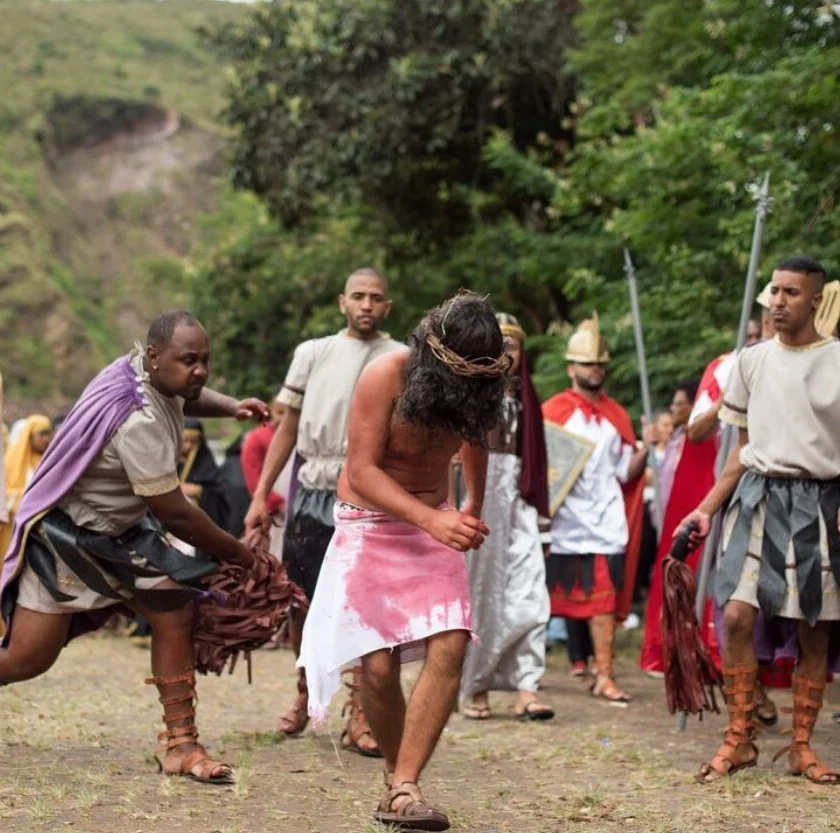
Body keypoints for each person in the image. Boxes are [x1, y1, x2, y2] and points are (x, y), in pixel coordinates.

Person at [0, 311, 269, 785]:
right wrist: (240, 555)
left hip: (121, 534)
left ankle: (181, 744)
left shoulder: (135, 370)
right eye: (190, 360)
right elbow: (176, 515)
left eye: (205, 360)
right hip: (71, 541)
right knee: (26, 659)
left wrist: (230, 407)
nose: (200, 371)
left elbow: (186, 393)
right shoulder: (137, 419)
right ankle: (180, 743)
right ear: (154, 357)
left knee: (172, 608)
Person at [299, 291, 508, 831]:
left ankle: (405, 786)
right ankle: (397, 776)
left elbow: (475, 441)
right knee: (378, 666)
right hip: (369, 522)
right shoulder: (385, 376)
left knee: (453, 639)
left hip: (433, 520)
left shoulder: (480, 387)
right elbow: (364, 471)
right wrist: (431, 520)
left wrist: (470, 506)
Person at [681, 257, 840, 785]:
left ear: (816, 299)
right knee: (735, 618)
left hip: (821, 505)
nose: (778, 301)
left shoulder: (838, 361)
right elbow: (741, 452)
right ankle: (740, 737)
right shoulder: (750, 361)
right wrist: (705, 508)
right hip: (757, 500)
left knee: (814, 628)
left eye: (791, 293)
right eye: (775, 291)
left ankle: (800, 746)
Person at [244, 268, 401, 753]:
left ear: (388, 307)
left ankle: (361, 710)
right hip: (313, 488)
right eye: (358, 296)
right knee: (302, 599)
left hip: (372, 488)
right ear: (342, 301)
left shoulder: (401, 358)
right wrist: (260, 494)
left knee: (366, 604)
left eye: (376, 298)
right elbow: (286, 428)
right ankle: (305, 692)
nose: (367, 305)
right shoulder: (312, 353)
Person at [543, 313, 648, 705]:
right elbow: (542, 471)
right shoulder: (552, 411)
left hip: (605, 521)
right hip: (562, 522)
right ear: (572, 367)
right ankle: (524, 677)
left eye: (600, 364)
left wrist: (646, 449)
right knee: (539, 600)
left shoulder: (616, 416)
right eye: (588, 364)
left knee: (604, 601)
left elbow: (625, 472)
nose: (595, 370)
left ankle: (604, 675)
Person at [460, 313, 553, 721]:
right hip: (481, 499)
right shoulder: (468, 399)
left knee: (531, 590)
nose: (507, 353)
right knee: (482, 594)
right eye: (500, 344)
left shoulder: (527, 399)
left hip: (520, 503)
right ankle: (475, 685)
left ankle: (526, 685)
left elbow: (536, 463)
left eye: (513, 345)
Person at [242, 397, 292, 556]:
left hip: (296, 503)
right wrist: (275, 502)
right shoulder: (257, 438)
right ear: (271, 411)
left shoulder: (301, 437)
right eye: (279, 413)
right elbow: (253, 477)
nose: (283, 419)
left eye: (288, 414)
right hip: (273, 510)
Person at [0, 415, 53, 559]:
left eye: (49, 433)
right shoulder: (10, 463)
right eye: (42, 434)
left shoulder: (49, 462)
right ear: (29, 436)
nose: (47, 439)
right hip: (13, 527)